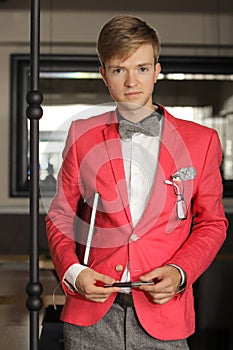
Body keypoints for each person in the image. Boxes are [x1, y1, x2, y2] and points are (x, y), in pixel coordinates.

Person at [46, 15, 228, 350]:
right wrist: (72, 272)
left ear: (157, 71)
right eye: (119, 70)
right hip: (90, 320)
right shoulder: (81, 135)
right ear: (104, 75)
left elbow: (212, 222)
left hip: (166, 318)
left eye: (142, 68)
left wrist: (180, 272)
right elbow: (60, 216)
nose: (132, 81)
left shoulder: (202, 141)